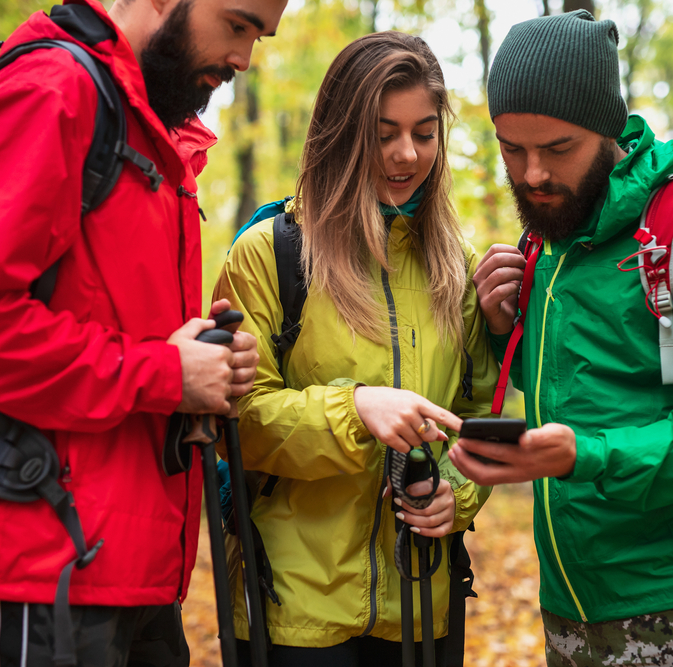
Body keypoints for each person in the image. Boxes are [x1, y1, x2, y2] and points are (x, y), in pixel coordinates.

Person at [0, 0, 286, 664]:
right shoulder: (51, 95)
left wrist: (203, 360)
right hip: (40, 566)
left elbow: (109, 319)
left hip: (121, 563)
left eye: (259, 34)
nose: (244, 58)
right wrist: (166, 373)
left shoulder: (145, 127)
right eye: (237, 24)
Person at [448, 10, 673, 667]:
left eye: (557, 149)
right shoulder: (552, 244)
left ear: (609, 129)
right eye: (510, 148)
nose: (530, 175)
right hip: (576, 610)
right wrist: (507, 335)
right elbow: (589, 384)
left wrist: (586, 454)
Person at [212, 30, 496, 667]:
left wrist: (457, 492)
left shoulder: (459, 267)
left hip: (424, 604)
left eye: (424, 133)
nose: (406, 154)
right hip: (291, 610)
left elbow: (484, 410)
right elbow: (240, 422)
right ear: (340, 132)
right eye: (383, 132)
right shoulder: (271, 253)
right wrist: (356, 408)